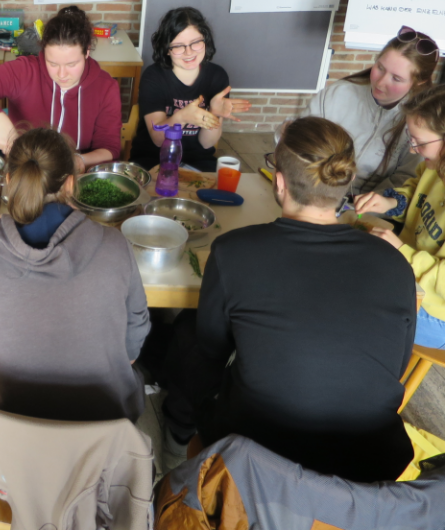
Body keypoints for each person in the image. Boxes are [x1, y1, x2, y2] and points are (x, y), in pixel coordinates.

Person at [162, 117, 416, 483]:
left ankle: (177, 440)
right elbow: (398, 363)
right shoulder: (395, 262)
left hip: (255, 462)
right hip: (369, 468)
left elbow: (213, 348)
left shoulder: (234, 250)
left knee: (188, 334)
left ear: (279, 182)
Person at [0, 128, 150, 422]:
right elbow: (134, 333)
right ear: (71, 184)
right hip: (103, 427)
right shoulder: (115, 246)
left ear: (9, 180)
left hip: (6, 425)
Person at [0, 6, 122, 171]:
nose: (62, 74)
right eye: (53, 63)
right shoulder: (25, 71)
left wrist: (79, 160)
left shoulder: (105, 87)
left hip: (74, 176)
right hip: (24, 173)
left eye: (71, 64)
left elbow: (110, 148)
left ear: (87, 52)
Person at [356, 84, 445, 349]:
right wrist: (391, 202)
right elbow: (417, 191)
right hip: (408, 279)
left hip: (437, 313)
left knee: (352, 301)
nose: (414, 149)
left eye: (421, 142)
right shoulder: (434, 165)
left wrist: (402, 251)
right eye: (411, 139)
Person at [297, 26, 438, 192]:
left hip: (368, 204)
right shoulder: (339, 93)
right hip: (313, 188)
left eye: (396, 78)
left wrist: (371, 202)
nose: (380, 82)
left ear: (419, 82)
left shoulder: (419, 123)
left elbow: (407, 179)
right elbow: (299, 141)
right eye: (380, 68)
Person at [130, 7, 251, 171]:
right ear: (166, 49)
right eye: (178, 46)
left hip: (198, 161)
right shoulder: (154, 77)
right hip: (153, 159)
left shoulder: (217, 76)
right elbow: (158, 139)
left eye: (195, 43)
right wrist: (182, 117)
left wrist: (214, 113)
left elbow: (207, 143)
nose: (189, 52)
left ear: (205, 41)